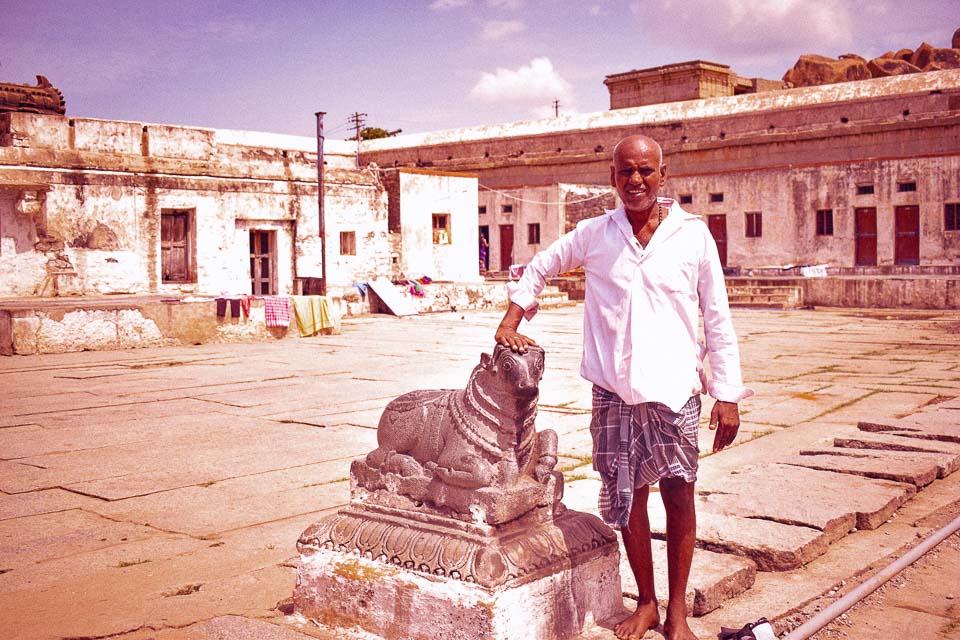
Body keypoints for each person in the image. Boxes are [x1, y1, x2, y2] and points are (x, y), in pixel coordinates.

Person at [494, 134, 751, 640]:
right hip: (613, 391)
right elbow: (542, 265)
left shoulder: (693, 236)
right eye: (625, 172)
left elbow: (717, 317)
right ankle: (647, 603)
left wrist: (727, 395)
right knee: (628, 498)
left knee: (679, 496)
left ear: (663, 174)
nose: (635, 181)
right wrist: (511, 318)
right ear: (613, 178)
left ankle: (677, 612)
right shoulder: (595, 233)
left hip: (675, 391)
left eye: (645, 171)